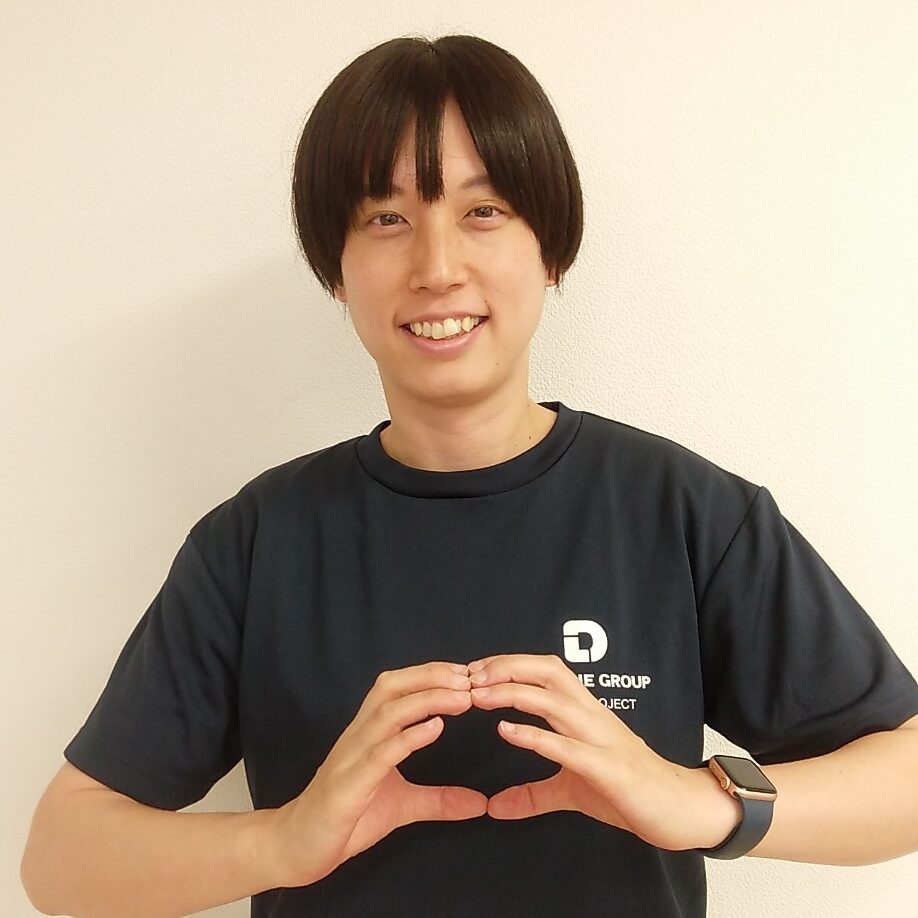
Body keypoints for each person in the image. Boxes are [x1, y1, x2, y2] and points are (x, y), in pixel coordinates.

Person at [21, 33, 918, 918]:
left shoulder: (685, 513)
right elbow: (61, 864)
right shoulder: (258, 540)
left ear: (551, 248)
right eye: (387, 219)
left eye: (484, 211)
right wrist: (288, 839)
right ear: (336, 270)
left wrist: (700, 801)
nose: (437, 268)